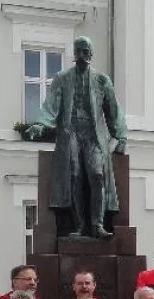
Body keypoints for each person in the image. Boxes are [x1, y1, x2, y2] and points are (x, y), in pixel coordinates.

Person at [25, 36, 127, 239]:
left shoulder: (101, 80)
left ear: (91, 54)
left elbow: (113, 109)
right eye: (78, 51)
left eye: (85, 51)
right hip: (70, 132)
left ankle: (97, 224)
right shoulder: (63, 78)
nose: (81, 55)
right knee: (75, 176)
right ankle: (80, 226)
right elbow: (51, 104)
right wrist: (40, 124)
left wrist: (120, 136)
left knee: (97, 175)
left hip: (94, 134)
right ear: (74, 53)